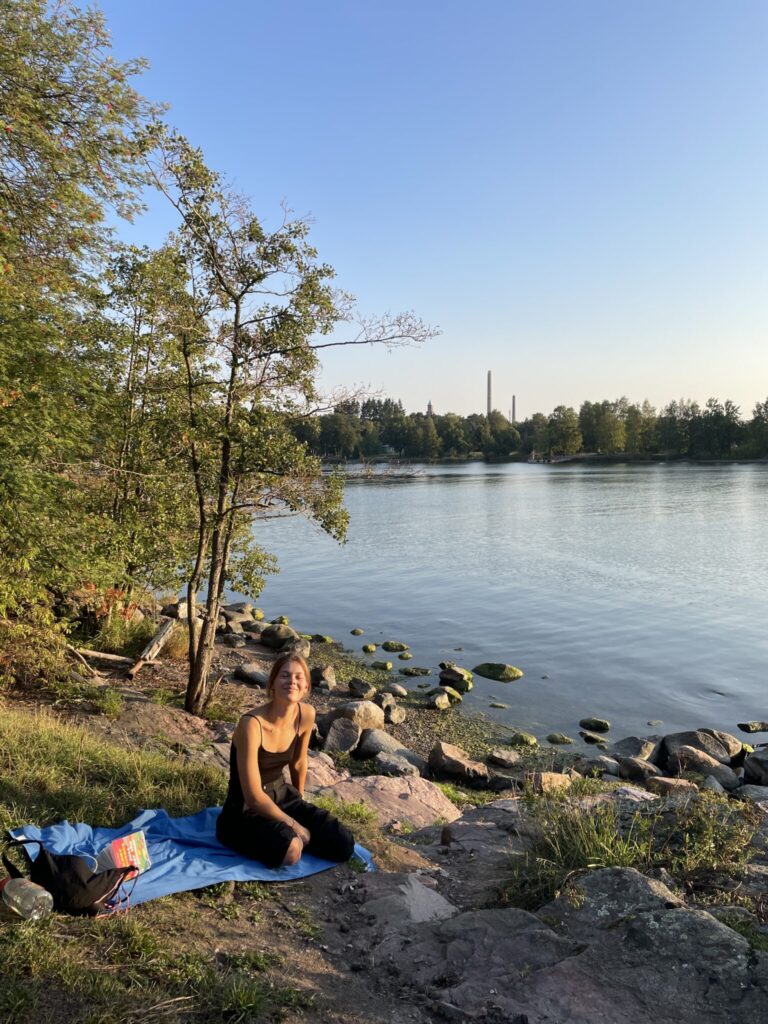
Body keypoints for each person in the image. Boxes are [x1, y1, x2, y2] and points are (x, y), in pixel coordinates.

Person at [216, 653, 355, 868]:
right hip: (245, 812)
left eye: (299, 677)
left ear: (307, 686)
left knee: (343, 843)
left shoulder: (306, 714)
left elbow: (298, 762)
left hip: (283, 797)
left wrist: (298, 804)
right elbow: (253, 797)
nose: (292, 681)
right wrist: (295, 825)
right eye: (285, 675)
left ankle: (293, 837)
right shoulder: (251, 725)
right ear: (271, 683)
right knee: (291, 851)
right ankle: (292, 839)